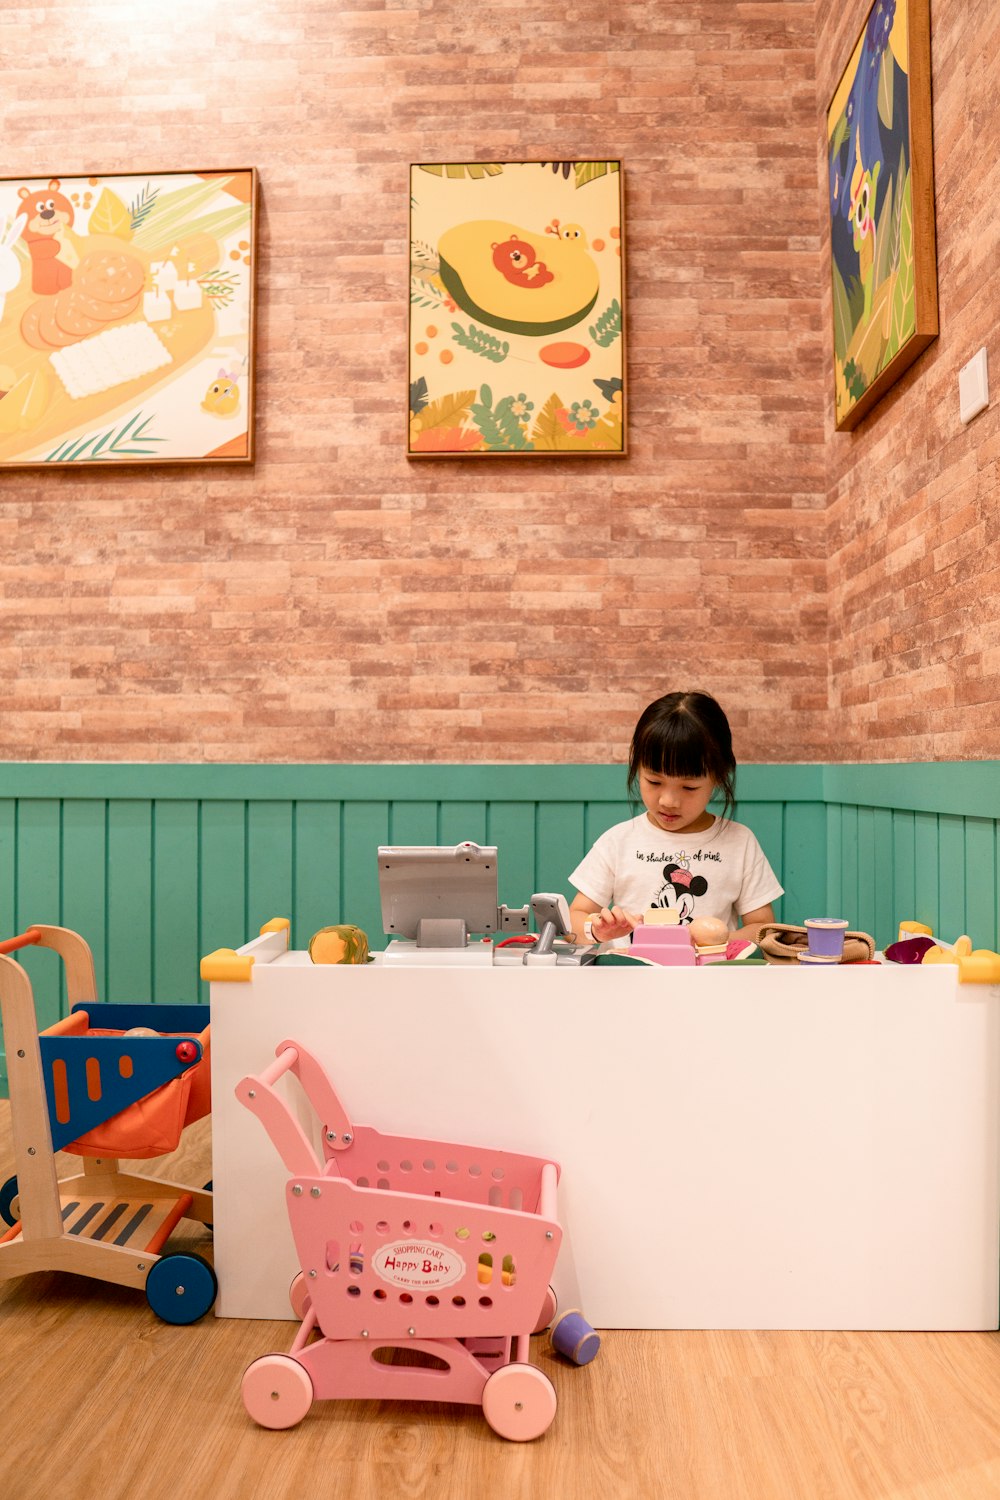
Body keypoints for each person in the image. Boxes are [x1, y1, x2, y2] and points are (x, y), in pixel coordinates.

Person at [568, 691, 782, 945]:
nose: (668, 801)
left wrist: (713, 939)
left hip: (710, 980)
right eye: (654, 781)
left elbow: (762, 928)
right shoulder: (618, 841)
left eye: (689, 787)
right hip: (631, 978)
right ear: (637, 768)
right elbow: (574, 917)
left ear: (719, 776)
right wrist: (597, 930)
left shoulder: (739, 842)